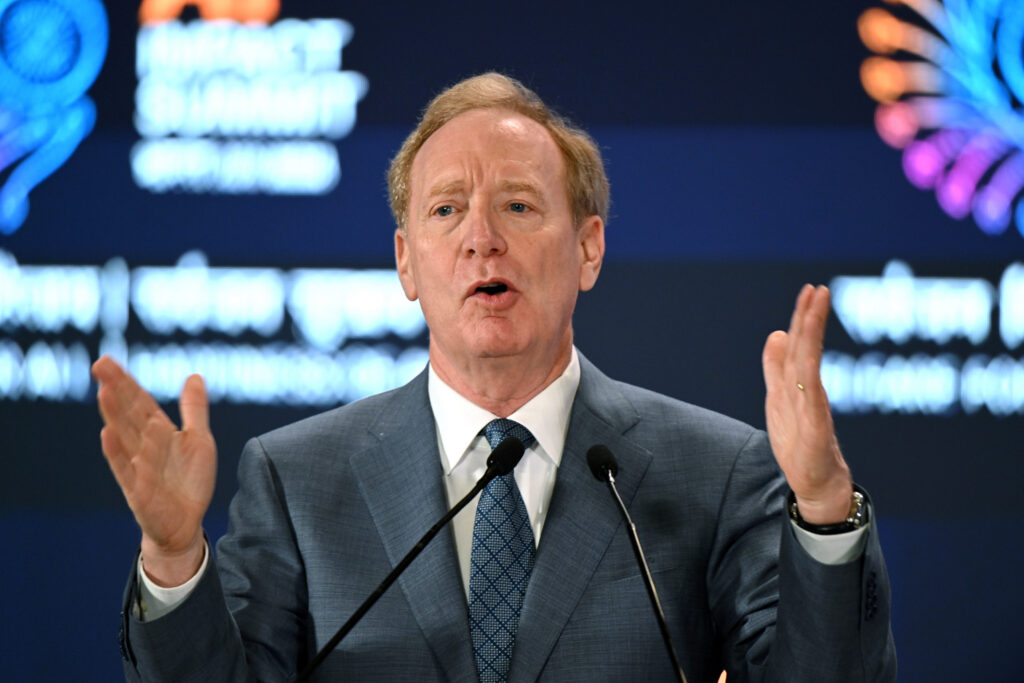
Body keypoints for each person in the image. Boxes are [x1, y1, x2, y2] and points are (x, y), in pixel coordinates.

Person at [93, 72, 896, 682]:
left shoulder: (715, 472)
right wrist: (174, 557)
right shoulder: (298, 479)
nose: (481, 238)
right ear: (407, 262)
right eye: (446, 210)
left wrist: (826, 510)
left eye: (517, 205)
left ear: (588, 248)